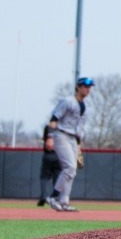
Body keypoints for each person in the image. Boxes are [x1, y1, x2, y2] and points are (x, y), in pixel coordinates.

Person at [44, 76, 93, 212]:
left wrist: (78, 147)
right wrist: (49, 137)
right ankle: (53, 196)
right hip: (60, 134)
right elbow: (54, 119)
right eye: (84, 86)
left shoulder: (86, 108)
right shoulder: (67, 101)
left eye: (89, 87)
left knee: (72, 171)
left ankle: (64, 202)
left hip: (73, 139)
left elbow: (80, 129)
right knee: (70, 167)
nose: (87, 89)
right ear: (78, 87)